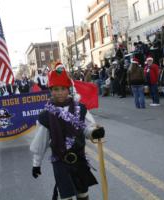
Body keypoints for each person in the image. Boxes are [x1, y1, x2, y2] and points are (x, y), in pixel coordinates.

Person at [30, 63, 105, 200]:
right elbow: (41, 142)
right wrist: (36, 164)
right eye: (56, 89)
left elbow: (87, 128)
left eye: (63, 89)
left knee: (83, 194)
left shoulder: (81, 109)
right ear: (51, 91)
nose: (59, 92)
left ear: (68, 89)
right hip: (60, 161)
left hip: (79, 159)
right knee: (66, 196)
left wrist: (95, 132)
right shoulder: (46, 115)